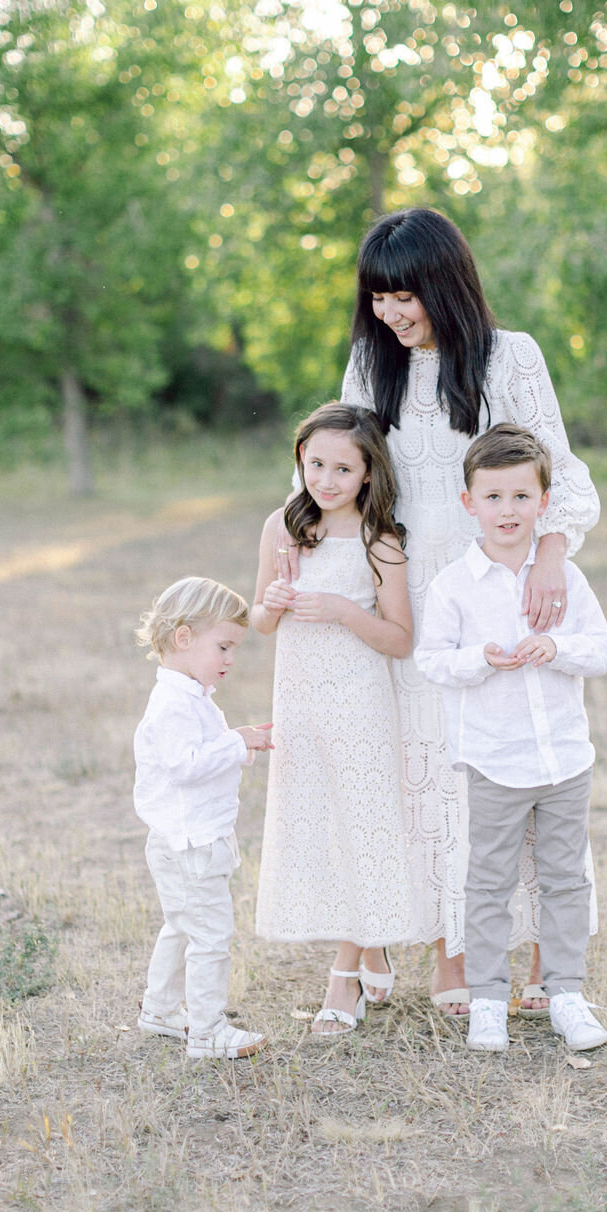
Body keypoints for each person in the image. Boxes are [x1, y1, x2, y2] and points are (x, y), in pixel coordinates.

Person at [284, 207, 600, 1015]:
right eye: (378, 297)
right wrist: (294, 537)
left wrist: (554, 553)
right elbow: (339, 463)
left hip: (490, 585)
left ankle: (515, 952)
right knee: (417, 775)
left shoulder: (510, 357)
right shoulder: (369, 362)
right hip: (399, 591)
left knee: (504, 770)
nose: (391, 313)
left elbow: (556, 467)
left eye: (405, 295)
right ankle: (439, 948)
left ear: (444, 282)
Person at [415, 424, 607, 1053]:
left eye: (521, 497)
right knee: (490, 880)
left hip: (562, 756)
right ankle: (489, 1002)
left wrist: (553, 646)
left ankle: (567, 995)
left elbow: (601, 650)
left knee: (564, 879)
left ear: (543, 502)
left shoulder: (565, 580)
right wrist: (481, 658)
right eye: (494, 498)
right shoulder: (454, 585)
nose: (508, 511)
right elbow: (432, 660)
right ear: (470, 502)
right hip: (493, 759)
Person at [252, 402, 415, 1036]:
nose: (325, 479)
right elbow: (262, 623)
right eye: (315, 463)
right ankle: (369, 942)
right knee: (318, 828)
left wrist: (343, 609)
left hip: (361, 705)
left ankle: (342, 978)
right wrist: (271, 603)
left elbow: (400, 638)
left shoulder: (381, 541)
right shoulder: (283, 526)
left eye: (342, 468)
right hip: (299, 701)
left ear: (369, 473)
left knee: (360, 828)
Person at [133, 576, 273, 1061]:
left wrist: (239, 737)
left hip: (182, 839)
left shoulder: (190, 696)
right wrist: (238, 742)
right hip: (190, 842)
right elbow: (184, 765)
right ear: (184, 638)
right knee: (210, 936)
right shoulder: (174, 704)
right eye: (224, 646)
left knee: (181, 925)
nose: (230, 658)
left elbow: (199, 754)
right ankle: (208, 1030)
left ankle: (160, 1008)